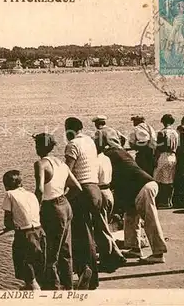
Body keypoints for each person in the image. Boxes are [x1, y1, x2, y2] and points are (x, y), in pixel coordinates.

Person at [64, 118, 125, 290]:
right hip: (96, 190)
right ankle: (96, 271)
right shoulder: (90, 141)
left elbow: (67, 172)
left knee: (81, 235)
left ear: (68, 130)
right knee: (94, 231)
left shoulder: (72, 145)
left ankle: (87, 274)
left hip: (82, 192)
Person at [33, 133, 81, 290]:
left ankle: (54, 289)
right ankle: (68, 287)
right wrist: (63, 199)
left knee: (50, 253)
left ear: (39, 147)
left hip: (51, 209)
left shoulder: (41, 164)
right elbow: (77, 188)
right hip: (65, 206)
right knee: (66, 251)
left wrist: (34, 209)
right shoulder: (61, 163)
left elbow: (40, 190)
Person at [104, 147, 168, 264]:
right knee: (130, 216)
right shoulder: (120, 153)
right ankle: (134, 248)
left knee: (149, 219)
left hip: (144, 188)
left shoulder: (108, 156)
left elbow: (111, 181)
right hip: (144, 186)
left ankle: (158, 253)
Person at [2, 170, 46, 290]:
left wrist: (11, 225)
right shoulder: (31, 194)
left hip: (25, 236)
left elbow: (7, 221)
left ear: (6, 185)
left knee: (28, 272)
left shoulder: (9, 194)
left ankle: (35, 293)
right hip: (39, 233)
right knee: (36, 269)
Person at [153, 114, 179, 208]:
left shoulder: (162, 132)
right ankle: (169, 201)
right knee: (170, 180)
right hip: (173, 156)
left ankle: (160, 201)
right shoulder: (175, 133)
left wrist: (155, 159)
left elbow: (159, 147)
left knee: (157, 179)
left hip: (163, 156)